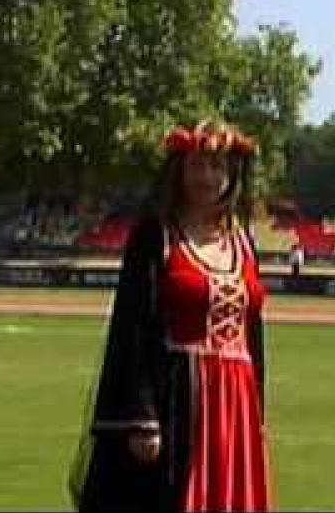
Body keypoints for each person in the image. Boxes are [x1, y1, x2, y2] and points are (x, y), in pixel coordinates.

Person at [69, 119, 270, 512]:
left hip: (235, 405)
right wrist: (142, 415)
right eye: (197, 165)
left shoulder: (243, 241)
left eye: (217, 167)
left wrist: (258, 412)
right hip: (177, 398)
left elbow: (253, 333)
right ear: (179, 172)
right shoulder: (154, 236)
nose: (207, 177)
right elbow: (133, 326)